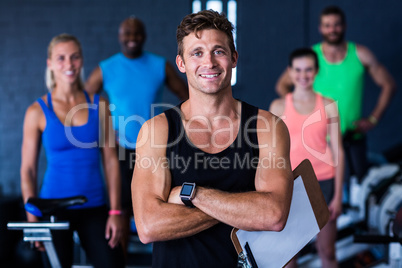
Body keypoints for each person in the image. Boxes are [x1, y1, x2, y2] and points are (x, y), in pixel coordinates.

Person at [132, 10, 294, 268]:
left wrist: (191, 194)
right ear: (181, 63)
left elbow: (273, 214)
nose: (209, 62)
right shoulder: (157, 131)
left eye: (218, 51)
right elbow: (149, 226)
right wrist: (245, 204)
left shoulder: (267, 127)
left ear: (234, 58)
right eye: (197, 53)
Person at [20, 33, 125, 268]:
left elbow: (110, 161)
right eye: (61, 58)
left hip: (94, 207)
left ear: (82, 60)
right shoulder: (36, 111)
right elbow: (28, 169)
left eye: (74, 57)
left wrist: (115, 211)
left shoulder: (101, 105)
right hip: (52, 208)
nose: (69, 64)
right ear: (50, 64)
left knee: (113, 263)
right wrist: (32, 215)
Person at [85, 16, 188, 251]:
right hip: (119, 150)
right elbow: (82, 102)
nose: (132, 38)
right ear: (119, 36)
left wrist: (178, 127)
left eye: (137, 33)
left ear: (145, 36)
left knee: (158, 205)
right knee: (119, 209)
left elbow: (186, 94)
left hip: (153, 148)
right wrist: (103, 124)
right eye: (127, 34)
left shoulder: (160, 65)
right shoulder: (106, 68)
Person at [275, 6, 395, 189]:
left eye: (336, 25)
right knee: (314, 191)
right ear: (320, 28)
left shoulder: (360, 54)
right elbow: (282, 84)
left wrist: (373, 118)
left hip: (351, 135)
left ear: (344, 26)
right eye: (327, 25)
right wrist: (300, 111)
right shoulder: (310, 58)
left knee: (359, 192)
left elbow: (389, 84)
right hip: (319, 138)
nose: (332, 29)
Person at [270, 48, 344, 268]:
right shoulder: (278, 106)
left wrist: (338, 196)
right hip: (290, 185)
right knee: (288, 256)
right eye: (298, 70)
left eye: (309, 69)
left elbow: (338, 151)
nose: (304, 75)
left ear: (316, 71)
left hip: (323, 183)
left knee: (327, 251)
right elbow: (270, 155)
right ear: (290, 73)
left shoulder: (329, 105)